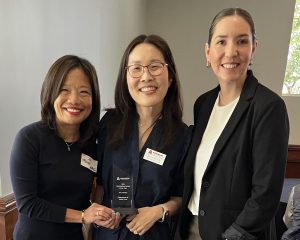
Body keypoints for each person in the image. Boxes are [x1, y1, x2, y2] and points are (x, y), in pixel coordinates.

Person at [179, 7, 290, 240]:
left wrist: (233, 236)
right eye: (221, 42)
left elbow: (266, 193)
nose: (231, 52)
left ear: (253, 49)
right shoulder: (203, 104)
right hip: (190, 226)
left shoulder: (268, 107)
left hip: (235, 234)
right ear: (207, 52)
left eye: (241, 41)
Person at [92, 34, 191, 240]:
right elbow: (99, 184)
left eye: (154, 66)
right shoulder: (110, 123)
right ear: (125, 77)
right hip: (108, 234)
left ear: (170, 76)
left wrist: (158, 211)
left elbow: (181, 196)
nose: (145, 77)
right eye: (136, 68)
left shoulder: (183, 136)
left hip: (152, 234)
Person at [10, 55, 115, 240]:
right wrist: (83, 216)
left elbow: (100, 184)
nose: (74, 100)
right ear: (51, 93)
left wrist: (105, 213)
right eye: (64, 90)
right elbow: (27, 203)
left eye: (84, 92)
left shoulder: (93, 143)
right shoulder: (29, 138)